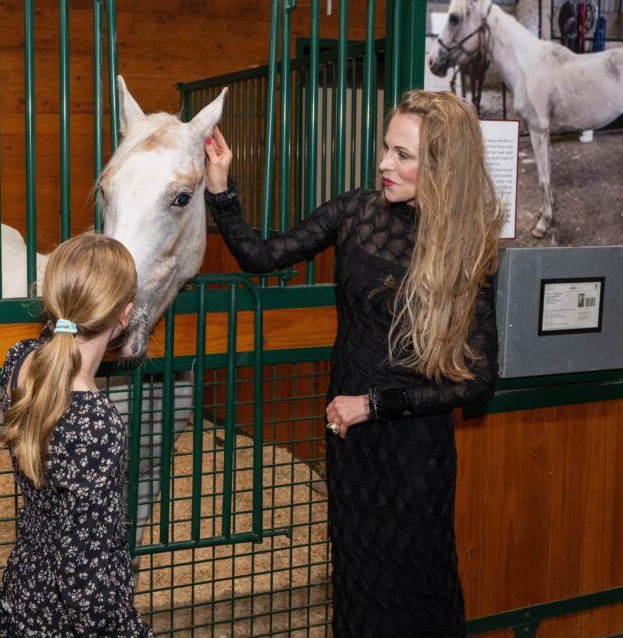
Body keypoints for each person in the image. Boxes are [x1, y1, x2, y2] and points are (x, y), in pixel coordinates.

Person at [203, 90, 503, 636]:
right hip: (351, 444)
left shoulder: (467, 245)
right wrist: (222, 188)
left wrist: (373, 404)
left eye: (403, 155)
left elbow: (480, 381)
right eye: (386, 148)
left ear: (442, 163)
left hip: (414, 452)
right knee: (355, 576)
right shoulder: (356, 212)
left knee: (416, 585)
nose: (385, 163)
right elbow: (261, 256)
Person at [0, 233, 154, 637]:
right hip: (64, 622)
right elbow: (87, 582)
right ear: (125, 314)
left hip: (23, 595)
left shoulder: (18, 359)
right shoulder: (95, 425)